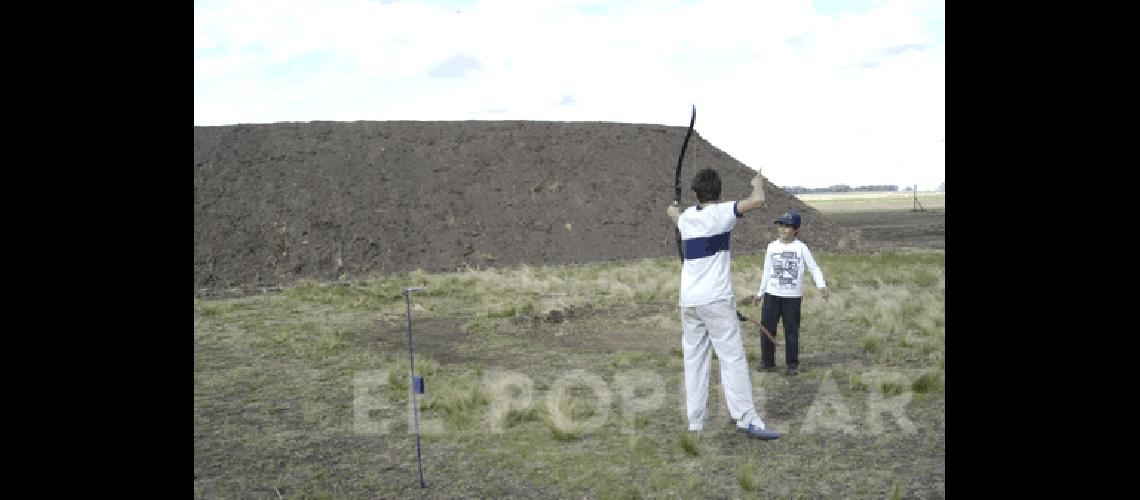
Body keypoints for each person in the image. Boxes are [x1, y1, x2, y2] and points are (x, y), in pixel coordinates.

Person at [666, 168, 779, 440]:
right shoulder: (722, 213)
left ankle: (696, 421)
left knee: (694, 359)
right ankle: (746, 418)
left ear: (694, 193)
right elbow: (757, 201)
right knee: (733, 359)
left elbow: (674, 214)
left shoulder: (686, 218)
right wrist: (756, 183)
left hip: (689, 302)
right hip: (715, 300)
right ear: (718, 193)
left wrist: (674, 207)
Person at [752, 211, 829, 376]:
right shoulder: (772, 246)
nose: (782, 229)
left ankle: (792, 364)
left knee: (791, 330)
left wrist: (821, 286)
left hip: (792, 297)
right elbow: (767, 271)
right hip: (772, 294)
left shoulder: (801, 247)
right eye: (781, 225)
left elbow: (813, 267)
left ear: (796, 230)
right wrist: (760, 293)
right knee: (767, 328)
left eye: (787, 226)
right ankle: (767, 362)